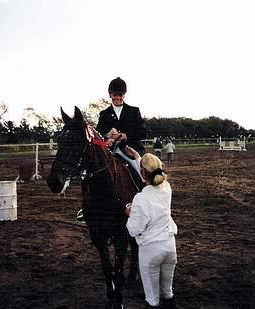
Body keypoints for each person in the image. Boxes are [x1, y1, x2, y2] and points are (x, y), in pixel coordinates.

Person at [125, 153, 178, 309]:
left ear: (142, 173)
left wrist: (130, 214)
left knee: (152, 299)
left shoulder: (140, 198)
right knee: (168, 293)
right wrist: (136, 156)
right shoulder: (167, 188)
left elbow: (134, 230)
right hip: (170, 247)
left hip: (151, 251)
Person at [96, 77, 146, 156]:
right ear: (110, 95)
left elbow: (142, 132)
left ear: (124, 95)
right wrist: (107, 139)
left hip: (132, 151)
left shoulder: (134, 111)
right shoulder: (104, 114)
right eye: (115, 95)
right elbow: (99, 134)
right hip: (110, 151)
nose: (118, 98)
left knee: (138, 167)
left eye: (120, 95)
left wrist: (125, 136)